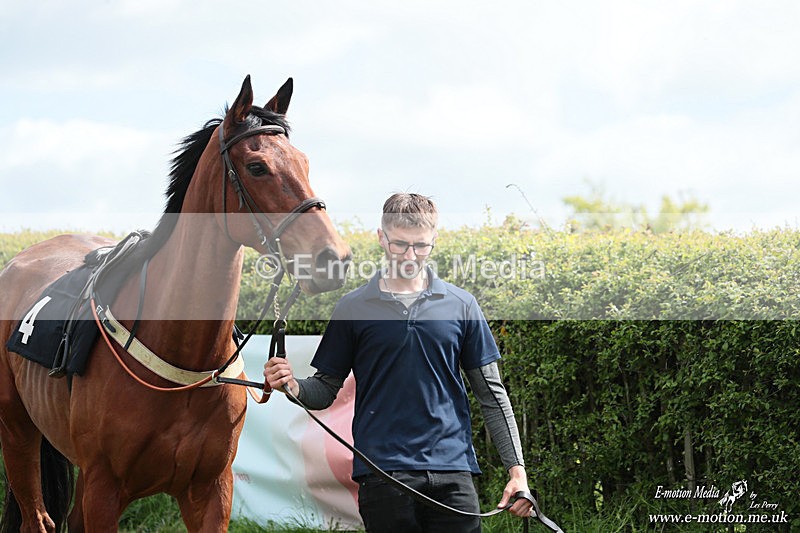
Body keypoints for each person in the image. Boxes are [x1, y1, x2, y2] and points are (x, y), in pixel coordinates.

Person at [264, 193, 532, 532]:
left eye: (420, 246)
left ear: (434, 239)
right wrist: (292, 385)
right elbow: (325, 389)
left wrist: (517, 472)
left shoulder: (462, 305)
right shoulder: (352, 308)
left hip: (453, 471)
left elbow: (491, 394)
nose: (409, 256)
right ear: (381, 237)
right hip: (382, 475)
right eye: (399, 244)